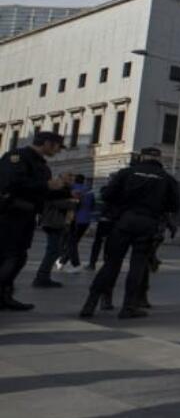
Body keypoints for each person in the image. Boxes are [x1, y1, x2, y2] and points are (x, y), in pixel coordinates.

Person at [79, 147, 180, 319]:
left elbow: (108, 195)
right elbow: (174, 206)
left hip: (124, 220)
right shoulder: (167, 179)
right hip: (148, 223)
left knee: (111, 263)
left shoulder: (126, 173)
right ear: (159, 159)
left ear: (141, 157)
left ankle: (90, 303)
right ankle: (129, 307)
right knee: (138, 265)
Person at [0, 131, 69, 312]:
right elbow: (9, 183)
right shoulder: (17, 157)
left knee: (18, 256)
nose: (58, 151)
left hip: (27, 216)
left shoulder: (42, 165)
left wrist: (63, 188)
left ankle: (5, 296)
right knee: (11, 256)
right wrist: (46, 185)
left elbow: (44, 194)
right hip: (9, 213)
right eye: (57, 147)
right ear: (47, 143)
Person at [31, 177, 75, 288]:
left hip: (51, 224)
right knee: (53, 251)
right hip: (53, 224)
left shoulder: (54, 194)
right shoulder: (56, 195)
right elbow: (69, 205)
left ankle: (43, 276)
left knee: (54, 250)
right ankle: (42, 277)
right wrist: (75, 200)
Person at [59, 175, 94, 271]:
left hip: (73, 220)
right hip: (86, 220)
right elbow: (92, 206)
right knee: (74, 242)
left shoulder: (71, 189)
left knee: (70, 243)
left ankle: (72, 263)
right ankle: (63, 261)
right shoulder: (89, 190)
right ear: (83, 181)